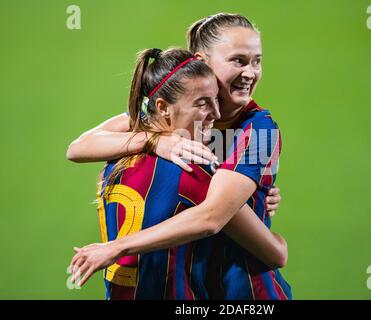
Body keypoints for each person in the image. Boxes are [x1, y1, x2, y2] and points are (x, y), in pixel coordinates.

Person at [69, 13, 291, 299]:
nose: (250, 72)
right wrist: (155, 141)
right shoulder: (173, 119)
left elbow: (214, 214)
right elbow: (78, 147)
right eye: (238, 60)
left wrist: (256, 196)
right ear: (203, 61)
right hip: (194, 285)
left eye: (257, 61)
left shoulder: (259, 129)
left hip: (242, 290)